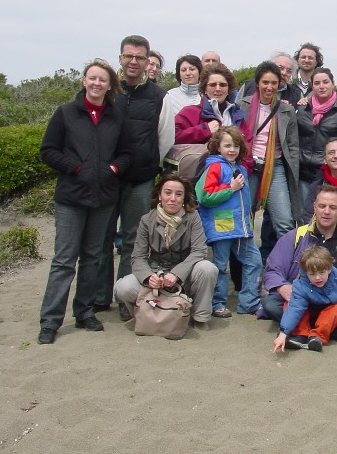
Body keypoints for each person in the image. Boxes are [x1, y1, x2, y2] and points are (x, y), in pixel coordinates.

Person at [38, 59, 132, 344]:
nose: (96, 83)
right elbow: (48, 151)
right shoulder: (66, 113)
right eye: (92, 78)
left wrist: (112, 170)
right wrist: (76, 169)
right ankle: (50, 321)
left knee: (93, 257)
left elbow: (126, 154)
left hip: (103, 198)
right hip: (71, 198)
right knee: (65, 260)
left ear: (109, 84)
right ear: (84, 81)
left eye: (102, 80)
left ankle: (84, 312)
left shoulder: (116, 117)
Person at [97, 35, 166, 320]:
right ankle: (99, 297)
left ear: (148, 61)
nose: (133, 62)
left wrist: (151, 165)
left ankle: (125, 298)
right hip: (104, 178)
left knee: (132, 240)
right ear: (120, 58)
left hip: (140, 178)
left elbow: (165, 137)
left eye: (139, 57)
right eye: (128, 56)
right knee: (100, 239)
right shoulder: (106, 92)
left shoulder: (160, 96)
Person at [262, 185, 337, 340]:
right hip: (302, 302)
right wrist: (282, 287)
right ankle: (336, 332)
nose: (326, 211)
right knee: (270, 303)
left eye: (332, 207)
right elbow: (271, 270)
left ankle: (303, 332)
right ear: (314, 207)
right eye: (322, 206)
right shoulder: (295, 236)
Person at [113, 174, 218, 329]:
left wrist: (176, 274)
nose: (173, 198)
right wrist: (149, 277)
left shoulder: (193, 217)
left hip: (184, 275)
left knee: (208, 269)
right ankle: (146, 315)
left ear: (184, 198)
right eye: (168, 193)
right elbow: (138, 257)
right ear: (160, 195)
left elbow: (199, 251)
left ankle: (200, 318)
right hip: (157, 273)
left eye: (178, 194)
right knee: (122, 287)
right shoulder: (147, 220)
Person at [195, 127, 263, 317]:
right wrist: (230, 188)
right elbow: (205, 197)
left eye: (235, 146)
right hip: (222, 227)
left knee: (255, 262)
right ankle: (217, 303)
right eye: (227, 146)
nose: (231, 150)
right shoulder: (214, 166)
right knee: (220, 266)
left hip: (241, 228)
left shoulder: (240, 168)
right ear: (217, 147)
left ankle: (249, 302)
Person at [238, 61, 300, 262]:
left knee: (285, 222)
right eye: (265, 82)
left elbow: (292, 145)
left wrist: (294, 173)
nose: (269, 87)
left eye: (274, 83)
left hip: (276, 166)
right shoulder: (243, 105)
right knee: (244, 219)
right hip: (247, 167)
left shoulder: (286, 110)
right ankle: (248, 269)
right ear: (257, 83)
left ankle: (290, 269)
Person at [272, 245, 337, 352]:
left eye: (322, 272)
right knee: (288, 304)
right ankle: (301, 335)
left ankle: (317, 337)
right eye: (312, 274)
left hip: (332, 310)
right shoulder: (301, 286)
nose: (318, 278)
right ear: (305, 273)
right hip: (311, 309)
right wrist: (283, 333)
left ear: (329, 268)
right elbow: (295, 308)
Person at [295, 67, 337, 206]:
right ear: (312, 86)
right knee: (305, 214)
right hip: (302, 171)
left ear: (333, 83)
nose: (321, 86)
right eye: (317, 83)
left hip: (328, 172)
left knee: (326, 214)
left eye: (325, 82)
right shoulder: (302, 108)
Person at [174, 62, 252, 172]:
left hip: (233, 180)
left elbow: (247, 149)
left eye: (223, 85)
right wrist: (204, 130)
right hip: (199, 181)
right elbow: (173, 136)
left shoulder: (237, 116)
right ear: (204, 88)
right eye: (213, 85)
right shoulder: (190, 112)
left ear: (229, 89)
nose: (218, 88)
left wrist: (242, 172)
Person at [157, 54, 203, 163]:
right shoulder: (169, 95)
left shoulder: (206, 96)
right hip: (171, 155)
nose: (188, 73)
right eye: (183, 70)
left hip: (199, 155)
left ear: (199, 71)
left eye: (192, 69)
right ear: (179, 74)